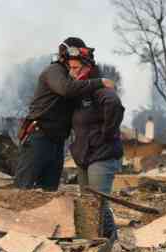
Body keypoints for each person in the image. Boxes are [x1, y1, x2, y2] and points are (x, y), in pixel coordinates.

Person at [15, 37, 114, 191]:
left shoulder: (75, 78)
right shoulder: (54, 70)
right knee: (23, 189)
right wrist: (99, 82)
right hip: (39, 137)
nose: (75, 69)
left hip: (57, 141)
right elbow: (66, 89)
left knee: (49, 191)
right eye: (72, 64)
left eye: (77, 66)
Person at [67, 49, 124, 239]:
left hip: (102, 155)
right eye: (70, 68)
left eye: (75, 68)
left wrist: (106, 134)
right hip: (85, 155)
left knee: (98, 204)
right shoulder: (80, 91)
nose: (71, 72)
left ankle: (112, 242)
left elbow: (114, 104)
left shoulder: (98, 89)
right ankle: (91, 243)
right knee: (87, 205)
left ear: (87, 67)